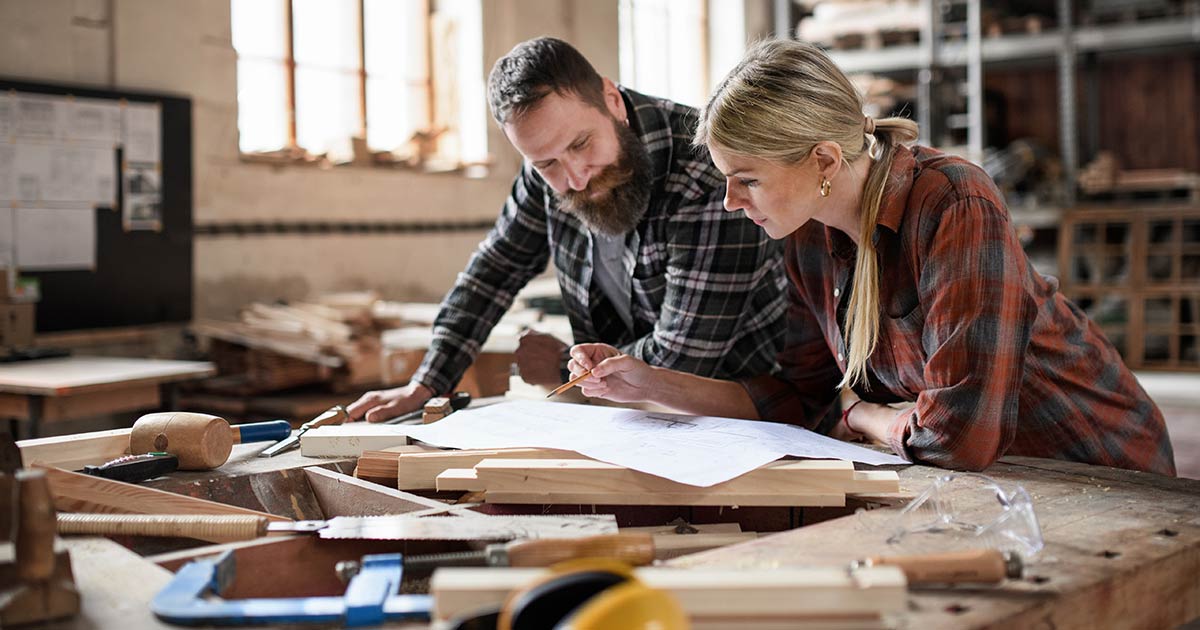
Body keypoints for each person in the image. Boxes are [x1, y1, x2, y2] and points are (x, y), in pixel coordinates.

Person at [567, 39, 1175, 475]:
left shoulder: (953, 202)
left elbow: (958, 437)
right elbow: (803, 398)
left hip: (1093, 464)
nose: (730, 202)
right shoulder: (806, 234)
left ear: (825, 161)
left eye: (746, 180)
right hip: (998, 475)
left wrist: (866, 420)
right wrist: (644, 381)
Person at [348, 37, 786, 422]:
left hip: (748, 414)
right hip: (628, 412)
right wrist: (428, 383)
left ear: (612, 100)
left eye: (581, 144)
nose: (575, 177)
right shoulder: (545, 173)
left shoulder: (707, 173)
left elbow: (681, 364)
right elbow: (492, 273)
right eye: (548, 163)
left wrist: (561, 368)